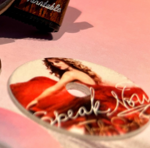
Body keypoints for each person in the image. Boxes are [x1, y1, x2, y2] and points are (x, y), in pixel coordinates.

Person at [10, 58, 149, 136]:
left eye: (56, 62)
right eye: (52, 64)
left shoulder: (70, 74)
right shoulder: (77, 73)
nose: (55, 65)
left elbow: (55, 89)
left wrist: (36, 100)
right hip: (96, 97)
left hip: (92, 99)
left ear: (64, 61)